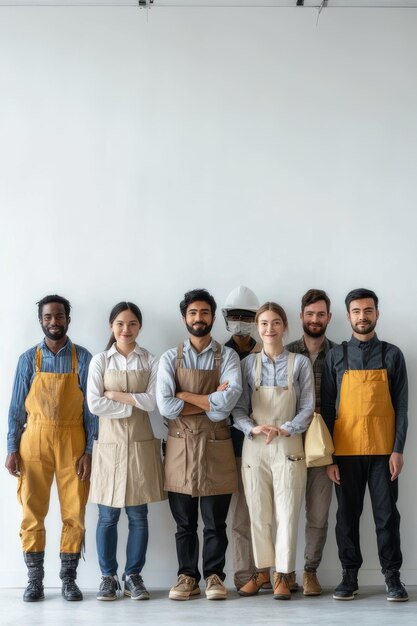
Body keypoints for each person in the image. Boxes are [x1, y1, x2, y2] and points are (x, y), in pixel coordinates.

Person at [5, 295, 96, 602]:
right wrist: (11, 448)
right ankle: (35, 581)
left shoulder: (83, 357)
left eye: (59, 316)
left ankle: (68, 580)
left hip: (73, 438)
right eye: (48, 317)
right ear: (41, 320)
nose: (53, 321)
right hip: (35, 439)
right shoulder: (27, 359)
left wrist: (89, 451)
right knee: (32, 511)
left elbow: (91, 411)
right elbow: (16, 408)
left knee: (74, 511)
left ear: (68, 319)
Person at [322, 288, 408, 602]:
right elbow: (328, 409)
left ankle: (392, 577)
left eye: (368, 310)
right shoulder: (335, 356)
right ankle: (349, 577)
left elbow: (401, 406)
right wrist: (329, 456)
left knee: (387, 517)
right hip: (344, 452)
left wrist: (398, 449)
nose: (362, 316)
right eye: (356, 311)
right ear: (348, 316)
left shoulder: (392, 354)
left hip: (384, 452)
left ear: (377, 314)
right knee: (346, 517)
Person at [157, 288, 242, 601]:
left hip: (216, 446)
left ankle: (215, 577)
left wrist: (185, 396)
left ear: (212, 317)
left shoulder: (228, 356)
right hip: (180, 447)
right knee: (184, 523)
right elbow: (165, 407)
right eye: (193, 313)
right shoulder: (169, 357)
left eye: (204, 313)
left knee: (215, 522)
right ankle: (187, 577)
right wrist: (209, 400)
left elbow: (227, 405)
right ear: (184, 318)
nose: (198, 318)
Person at [233, 302, 314, 601]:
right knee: (258, 511)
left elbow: (307, 406)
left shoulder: (300, 363)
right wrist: (250, 427)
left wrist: (289, 427)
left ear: (285, 326)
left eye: (276, 322)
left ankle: (284, 574)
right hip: (255, 442)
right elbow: (238, 407)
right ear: (257, 327)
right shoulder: (247, 365)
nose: (270, 329)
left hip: (289, 442)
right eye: (264, 323)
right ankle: (262, 572)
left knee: (288, 510)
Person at [87, 301, 165, 602]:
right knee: (106, 516)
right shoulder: (100, 362)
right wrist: (133, 400)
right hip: (109, 448)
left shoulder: (150, 360)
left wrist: (115, 394)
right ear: (111, 326)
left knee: (138, 516)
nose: (126, 329)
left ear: (139, 327)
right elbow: (95, 404)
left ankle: (133, 575)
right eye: (120, 323)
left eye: (132, 324)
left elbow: (152, 402)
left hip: (140, 447)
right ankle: (107, 576)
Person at [285, 289, 336, 596]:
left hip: (324, 444)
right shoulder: (286, 352)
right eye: (310, 314)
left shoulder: (341, 353)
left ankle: (310, 571)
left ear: (328, 317)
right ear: (301, 316)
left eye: (321, 314)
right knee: (286, 511)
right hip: (289, 441)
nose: (315, 319)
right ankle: (284, 571)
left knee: (318, 513)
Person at [221, 286, 271, 595]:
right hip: (232, 445)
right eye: (234, 316)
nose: (240, 322)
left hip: (268, 441)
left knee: (270, 513)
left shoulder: (266, 351)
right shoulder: (218, 353)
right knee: (240, 515)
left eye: (246, 317)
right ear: (225, 318)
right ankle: (243, 575)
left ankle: (271, 572)